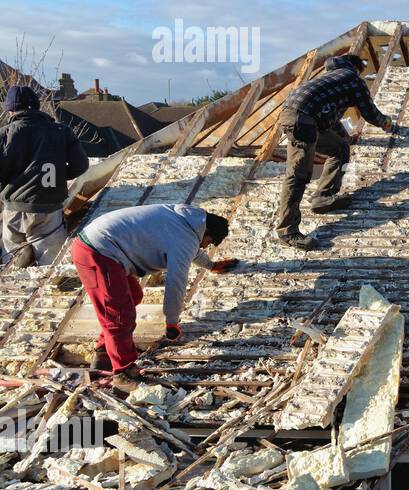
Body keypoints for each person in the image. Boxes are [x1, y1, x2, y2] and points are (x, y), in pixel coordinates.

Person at [71, 204, 236, 382]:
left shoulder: (186, 220)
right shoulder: (186, 237)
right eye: (209, 243)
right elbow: (176, 283)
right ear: (207, 233)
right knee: (118, 315)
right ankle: (124, 372)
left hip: (102, 244)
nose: (205, 247)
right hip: (97, 252)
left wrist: (210, 265)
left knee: (133, 296)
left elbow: (191, 248)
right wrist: (172, 322)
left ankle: (104, 352)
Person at [274, 53, 397, 250]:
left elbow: (331, 121)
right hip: (301, 120)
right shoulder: (352, 79)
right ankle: (288, 231)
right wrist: (387, 124)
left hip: (300, 118)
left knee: (339, 148)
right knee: (298, 175)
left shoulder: (328, 80)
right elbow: (369, 112)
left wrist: (348, 139)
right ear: (355, 68)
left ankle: (323, 197)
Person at [0, 85, 89, 267]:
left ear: (10, 110)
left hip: (14, 211)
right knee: (51, 266)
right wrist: (59, 177)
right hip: (48, 209)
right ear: (38, 106)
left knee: (14, 268)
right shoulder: (61, 131)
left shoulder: (4, 134)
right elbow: (81, 165)